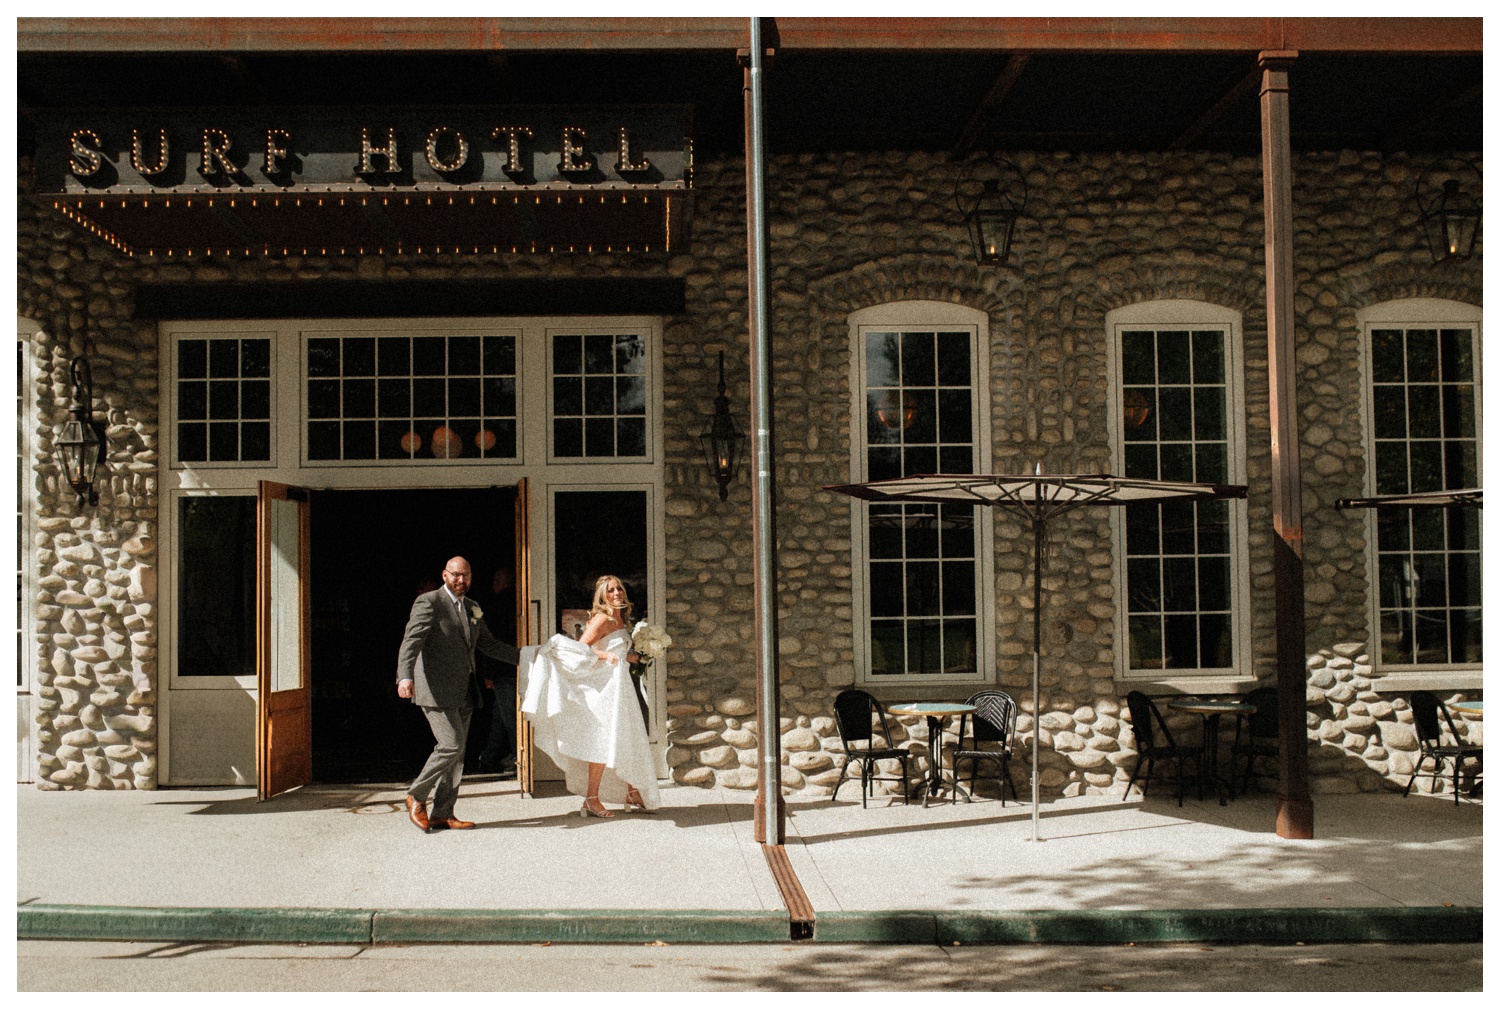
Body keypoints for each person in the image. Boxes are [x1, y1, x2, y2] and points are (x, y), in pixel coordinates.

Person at [397, 556, 520, 833]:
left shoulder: (473, 607)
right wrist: (404, 676)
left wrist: (525, 656)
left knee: (458, 754)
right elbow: (411, 641)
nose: (460, 580)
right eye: (455, 575)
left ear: (471, 577)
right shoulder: (429, 602)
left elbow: (489, 644)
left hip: (465, 689)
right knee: (450, 745)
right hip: (434, 689)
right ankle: (417, 795)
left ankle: (443, 812)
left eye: (465, 575)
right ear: (444, 575)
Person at [520, 574, 660, 818]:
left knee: (626, 737)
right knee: (604, 741)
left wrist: (635, 657)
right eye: (611, 590)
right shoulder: (601, 619)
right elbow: (581, 649)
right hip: (604, 688)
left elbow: (615, 649)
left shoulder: (621, 620)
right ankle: (591, 799)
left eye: (619, 589)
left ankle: (630, 790)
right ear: (602, 596)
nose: (617, 593)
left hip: (621, 686)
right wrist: (606, 657)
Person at [477, 567, 518, 777]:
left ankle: (518, 759)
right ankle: (488, 758)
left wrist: (488, 673)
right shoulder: (520, 602)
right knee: (500, 715)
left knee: (510, 717)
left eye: (496, 579)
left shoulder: (495, 607)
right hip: (518, 664)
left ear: (502, 582)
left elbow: (489, 644)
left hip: (503, 669)